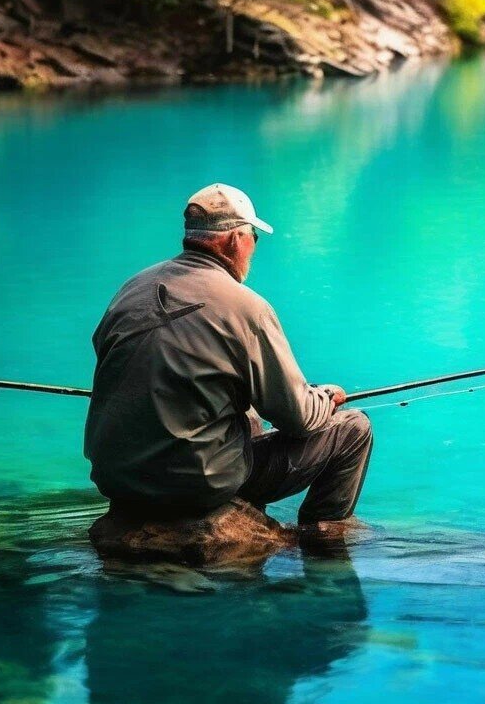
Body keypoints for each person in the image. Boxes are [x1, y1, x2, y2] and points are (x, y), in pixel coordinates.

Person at [84, 183, 372, 530]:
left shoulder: (132, 288)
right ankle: (323, 542)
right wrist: (326, 396)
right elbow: (297, 417)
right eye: (254, 236)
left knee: (244, 405)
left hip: (118, 481)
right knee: (354, 429)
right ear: (236, 239)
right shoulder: (246, 307)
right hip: (195, 487)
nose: (253, 247)